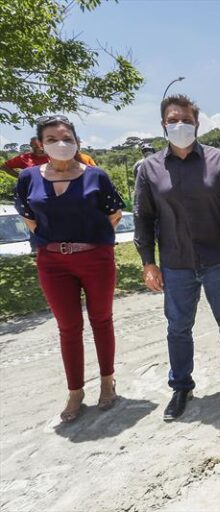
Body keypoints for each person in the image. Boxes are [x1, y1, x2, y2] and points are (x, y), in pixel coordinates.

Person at [134, 94, 220, 422]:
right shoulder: (149, 169)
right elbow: (143, 218)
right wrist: (148, 262)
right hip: (176, 264)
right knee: (178, 328)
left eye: (186, 120)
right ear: (163, 124)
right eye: (173, 120)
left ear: (197, 123)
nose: (180, 125)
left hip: (219, 260)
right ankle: (181, 387)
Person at [13, 115, 124, 423]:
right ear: (40, 144)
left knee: (101, 320)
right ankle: (75, 391)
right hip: (52, 262)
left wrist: (89, 238)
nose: (60, 144)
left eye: (67, 138)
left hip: (95, 258)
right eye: (52, 139)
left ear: (77, 142)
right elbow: (29, 217)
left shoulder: (96, 176)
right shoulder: (28, 178)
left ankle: (107, 381)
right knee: (68, 327)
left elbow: (114, 214)